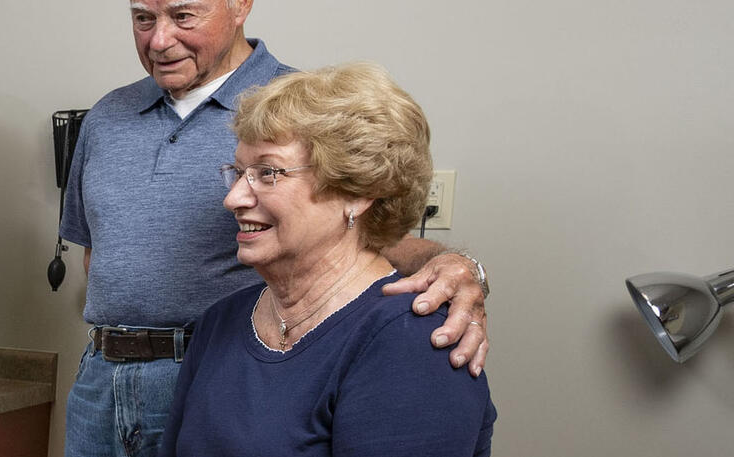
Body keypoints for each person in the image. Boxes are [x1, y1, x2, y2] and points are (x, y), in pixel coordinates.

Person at [58, 1, 492, 455]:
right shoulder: (107, 117)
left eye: (183, 16)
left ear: (240, 5)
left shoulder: (301, 110)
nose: (159, 39)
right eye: (143, 17)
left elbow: (369, 239)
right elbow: (97, 251)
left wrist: (457, 268)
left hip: (233, 367)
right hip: (113, 374)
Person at [162, 62, 495, 456]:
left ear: (357, 192)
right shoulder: (221, 322)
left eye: (267, 173)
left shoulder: (412, 343)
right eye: (237, 173)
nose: (233, 198)